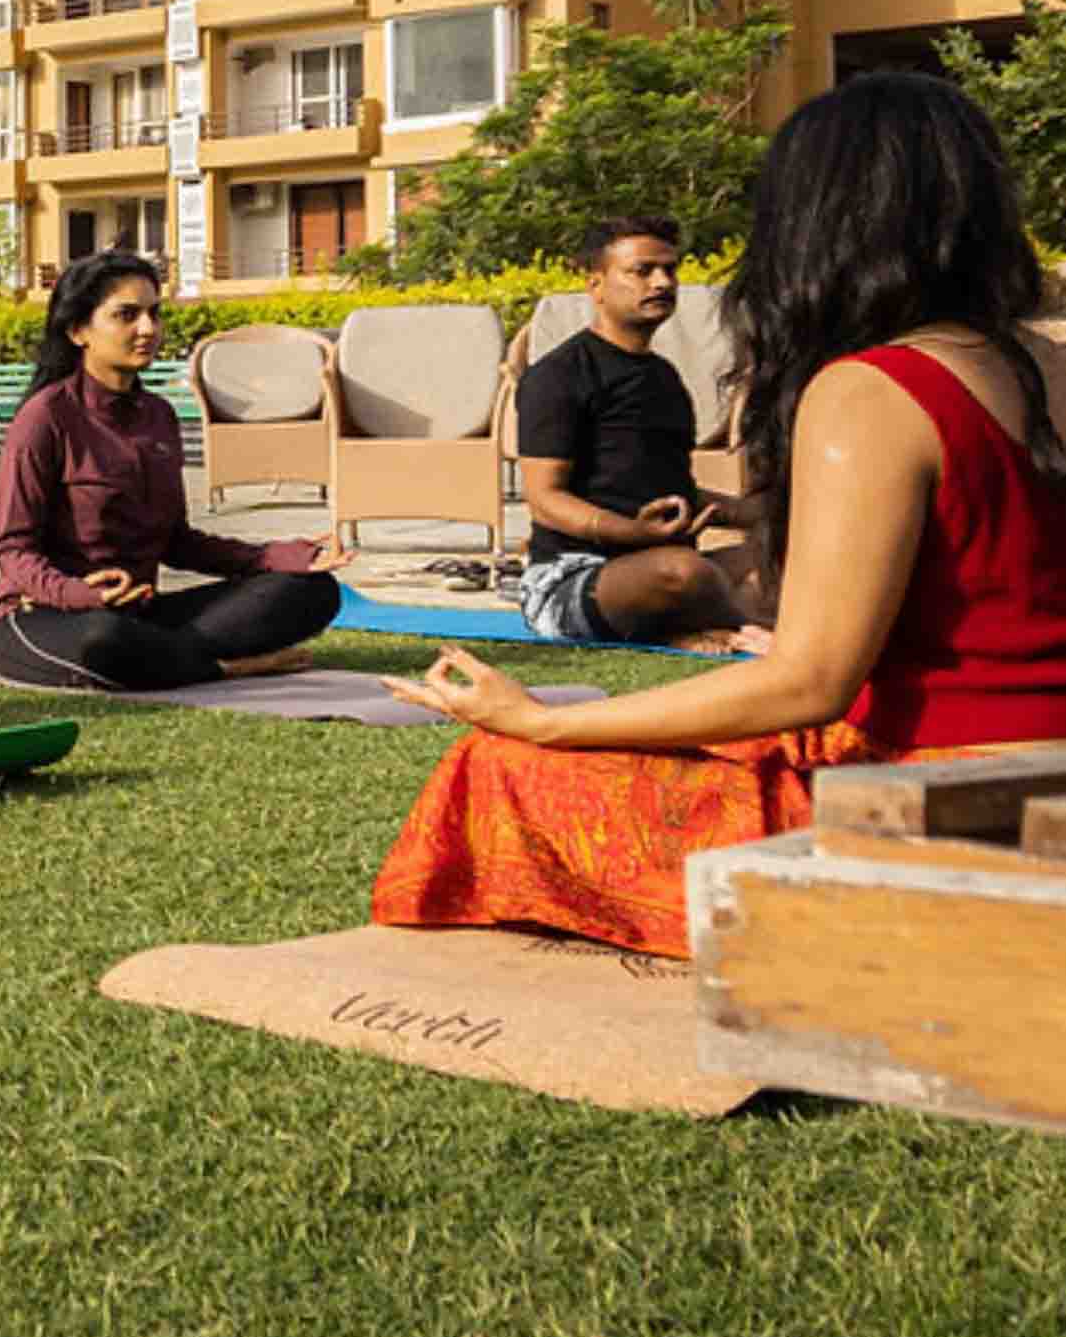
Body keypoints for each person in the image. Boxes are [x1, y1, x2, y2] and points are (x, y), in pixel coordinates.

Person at [374, 74, 1066, 959]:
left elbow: (807, 682)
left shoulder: (871, 389)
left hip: (953, 807)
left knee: (501, 769)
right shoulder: (1043, 362)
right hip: (1028, 769)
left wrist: (542, 719)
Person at [0, 251, 349, 689]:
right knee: (104, 639)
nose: (148, 329)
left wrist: (274, 556)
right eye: (126, 315)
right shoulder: (45, 417)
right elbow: (14, 550)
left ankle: (160, 655)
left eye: (154, 313)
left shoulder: (158, 416)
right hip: (47, 615)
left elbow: (176, 542)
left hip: (141, 611)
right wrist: (81, 595)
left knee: (311, 591)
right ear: (78, 330)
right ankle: (223, 666)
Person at [514, 216, 764, 651]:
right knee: (685, 573)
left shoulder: (663, 377)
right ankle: (744, 631)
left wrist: (761, 516)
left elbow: (673, 490)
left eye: (670, 269)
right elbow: (545, 500)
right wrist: (631, 533)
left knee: (784, 558)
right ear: (596, 286)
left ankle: (707, 623)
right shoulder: (558, 375)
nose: (662, 282)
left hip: (662, 559)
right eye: (642, 271)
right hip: (573, 577)